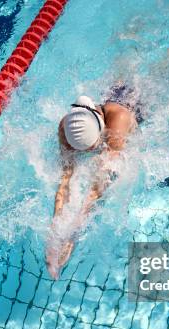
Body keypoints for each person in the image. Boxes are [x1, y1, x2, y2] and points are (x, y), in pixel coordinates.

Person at [45, 89, 140, 278]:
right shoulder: (66, 126)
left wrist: (72, 235)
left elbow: (96, 190)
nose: (85, 153)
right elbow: (65, 181)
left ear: (101, 131)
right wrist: (53, 238)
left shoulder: (117, 125)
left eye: (91, 147)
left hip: (138, 104)